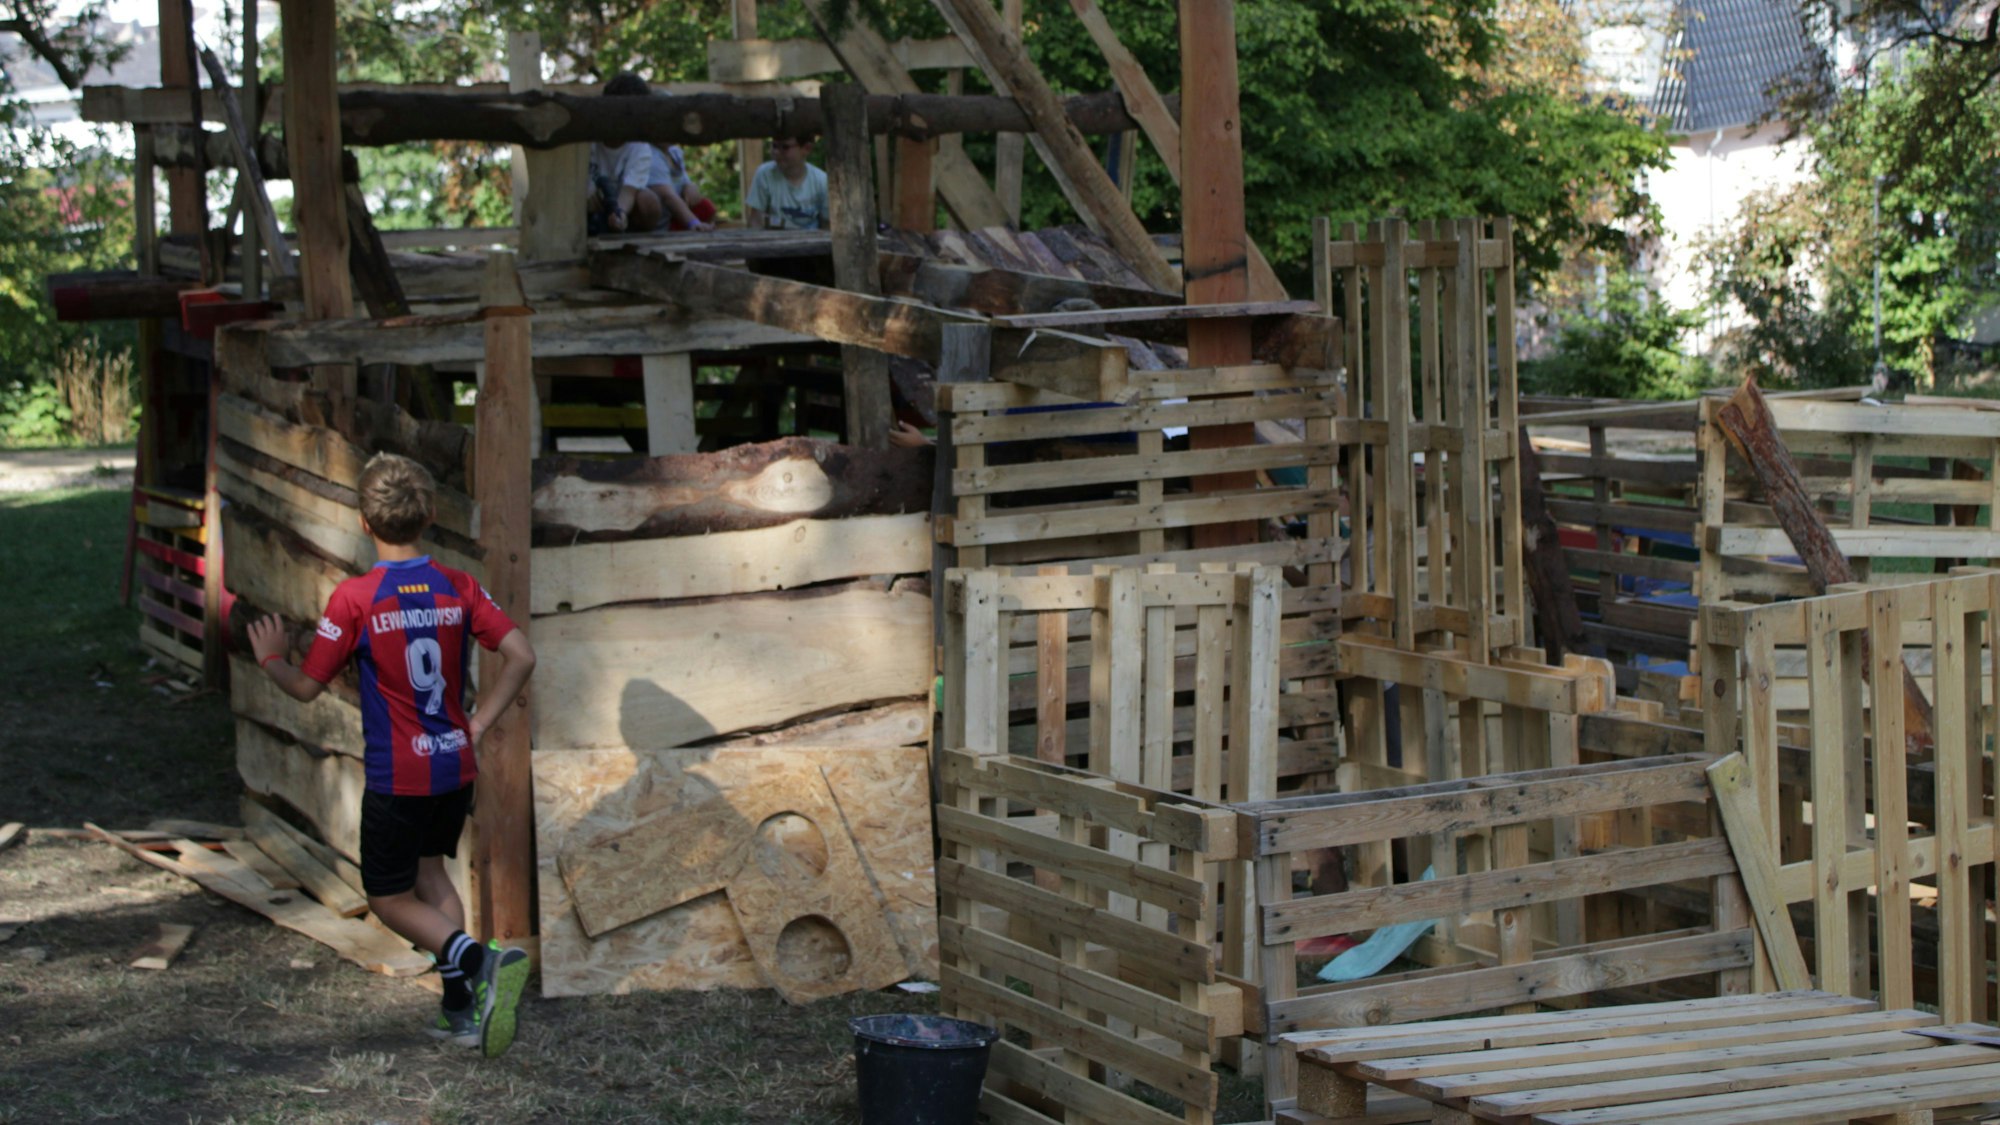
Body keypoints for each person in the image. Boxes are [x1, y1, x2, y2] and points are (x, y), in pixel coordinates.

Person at [246, 453, 537, 1058]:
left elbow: (306, 688)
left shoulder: (355, 599)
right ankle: (461, 1010)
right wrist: (478, 722)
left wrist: (271, 658)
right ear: (429, 514)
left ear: (363, 521)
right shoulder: (458, 584)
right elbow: (522, 656)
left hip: (399, 776)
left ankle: (477, 961)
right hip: (454, 766)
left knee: (387, 897)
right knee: (431, 874)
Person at [588, 72, 663, 235]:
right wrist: (586, 189)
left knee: (648, 201)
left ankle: (631, 232)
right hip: (587, 202)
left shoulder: (640, 147)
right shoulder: (587, 139)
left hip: (618, 203)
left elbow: (629, 191)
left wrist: (619, 214)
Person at [745, 131, 829, 231]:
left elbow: (827, 225)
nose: (776, 152)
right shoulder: (764, 174)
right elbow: (755, 221)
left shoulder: (822, 181)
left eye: (785, 147)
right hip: (774, 243)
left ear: (807, 148)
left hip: (811, 242)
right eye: (774, 146)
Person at [647, 143, 718, 232]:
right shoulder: (652, 156)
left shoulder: (674, 151)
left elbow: (685, 181)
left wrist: (690, 186)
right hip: (664, 224)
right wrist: (694, 223)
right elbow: (668, 197)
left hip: (677, 214)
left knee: (705, 206)